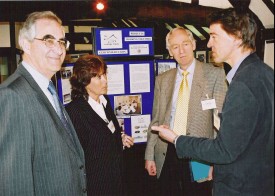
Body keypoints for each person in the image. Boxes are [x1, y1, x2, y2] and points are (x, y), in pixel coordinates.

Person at [152, 8, 274, 196]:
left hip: (240, 186)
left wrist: (176, 139)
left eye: (214, 36)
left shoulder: (242, 84)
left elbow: (224, 150)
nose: (209, 44)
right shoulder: (265, 73)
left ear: (236, 36)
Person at [0, 11, 87, 195]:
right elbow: (15, 183)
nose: (59, 49)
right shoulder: (13, 96)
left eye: (62, 41)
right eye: (49, 40)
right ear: (26, 45)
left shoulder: (48, 88)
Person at [144, 26, 227, 196]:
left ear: (194, 44)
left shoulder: (215, 74)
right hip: (167, 152)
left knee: (199, 192)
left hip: (200, 155)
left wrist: (216, 161)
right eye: (175, 47)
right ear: (170, 52)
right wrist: (149, 155)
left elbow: (220, 123)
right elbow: (156, 120)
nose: (181, 51)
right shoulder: (163, 80)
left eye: (185, 44)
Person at [65, 54, 134, 196]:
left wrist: (119, 139)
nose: (105, 81)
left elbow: (104, 131)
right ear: (84, 81)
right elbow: (77, 157)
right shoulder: (74, 112)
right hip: (96, 185)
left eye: (104, 75)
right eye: (98, 77)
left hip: (117, 180)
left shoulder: (104, 101)